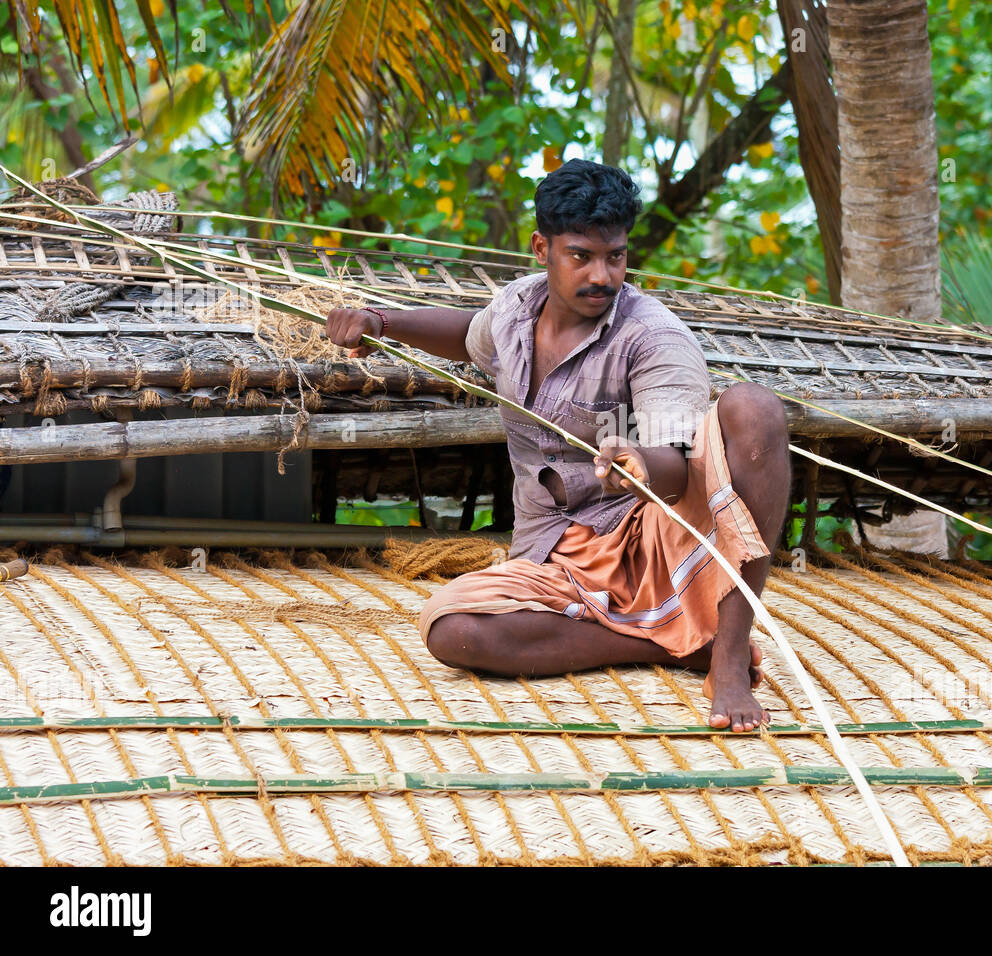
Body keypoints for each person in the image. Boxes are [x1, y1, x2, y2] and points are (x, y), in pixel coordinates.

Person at [325, 159, 791, 732]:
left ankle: (727, 654)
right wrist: (381, 322)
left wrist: (643, 466)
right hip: (553, 554)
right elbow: (472, 334)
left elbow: (682, 468)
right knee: (455, 629)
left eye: (615, 256)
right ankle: (667, 645)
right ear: (541, 248)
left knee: (755, 407)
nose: (602, 275)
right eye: (582, 256)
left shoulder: (653, 336)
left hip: (653, 544)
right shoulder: (517, 307)